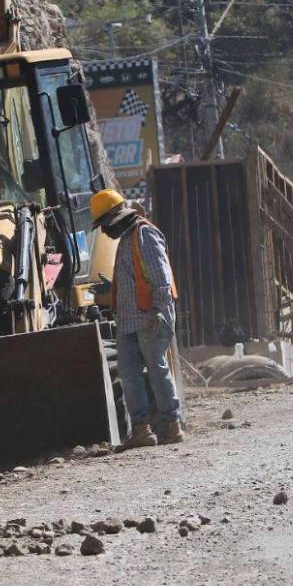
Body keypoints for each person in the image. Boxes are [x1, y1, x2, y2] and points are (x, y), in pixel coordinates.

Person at [90, 189, 183, 448]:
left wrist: (157, 311)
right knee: (129, 374)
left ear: (115, 216)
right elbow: (135, 279)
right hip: (130, 320)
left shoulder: (145, 234)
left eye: (104, 225)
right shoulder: (127, 240)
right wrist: (110, 290)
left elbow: (162, 279)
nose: (105, 232)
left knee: (157, 369)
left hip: (150, 317)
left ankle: (172, 424)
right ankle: (141, 429)